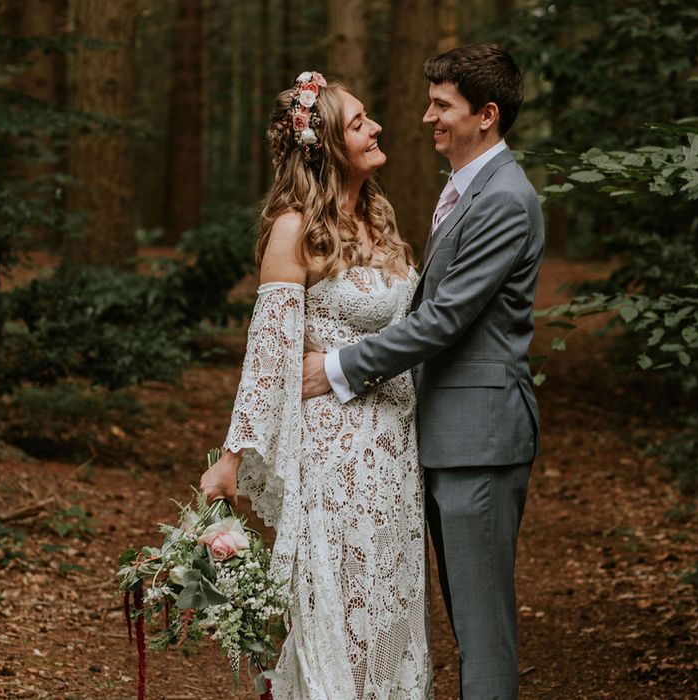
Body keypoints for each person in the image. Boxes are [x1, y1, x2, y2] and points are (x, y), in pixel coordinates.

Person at [302, 44, 545, 699]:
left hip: (480, 439)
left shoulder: (502, 199)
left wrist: (338, 367)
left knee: (481, 630)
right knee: (465, 622)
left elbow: (442, 322)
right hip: (446, 437)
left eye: (442, 105)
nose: (425, 117)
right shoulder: (465, 189)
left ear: (486, 115)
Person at [200, 71, 432, 699]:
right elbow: (269, 359)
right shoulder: (293, 229)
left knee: (391, 613)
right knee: (336, 614)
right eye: (359, 123)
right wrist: (231, 458)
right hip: (333, 457)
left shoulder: (380, 221)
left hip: (395, 451)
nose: (377, 126)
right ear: (327, 145)